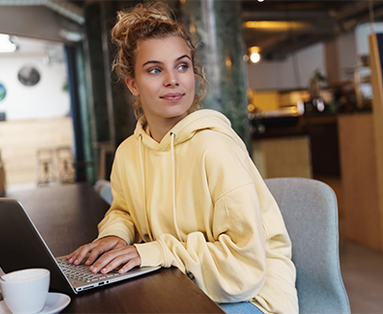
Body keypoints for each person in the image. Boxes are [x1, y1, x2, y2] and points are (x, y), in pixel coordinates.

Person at [65, 3, 297, 314]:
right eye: (155, 69)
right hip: (181, 283)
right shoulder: (128, 153)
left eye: (183, 66)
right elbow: (125, 211)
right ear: (132, 83)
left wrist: (157, 251)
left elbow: (243, 270)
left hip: (252, 297)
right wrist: (114, 236)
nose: (173, 80)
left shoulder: (215, 148)